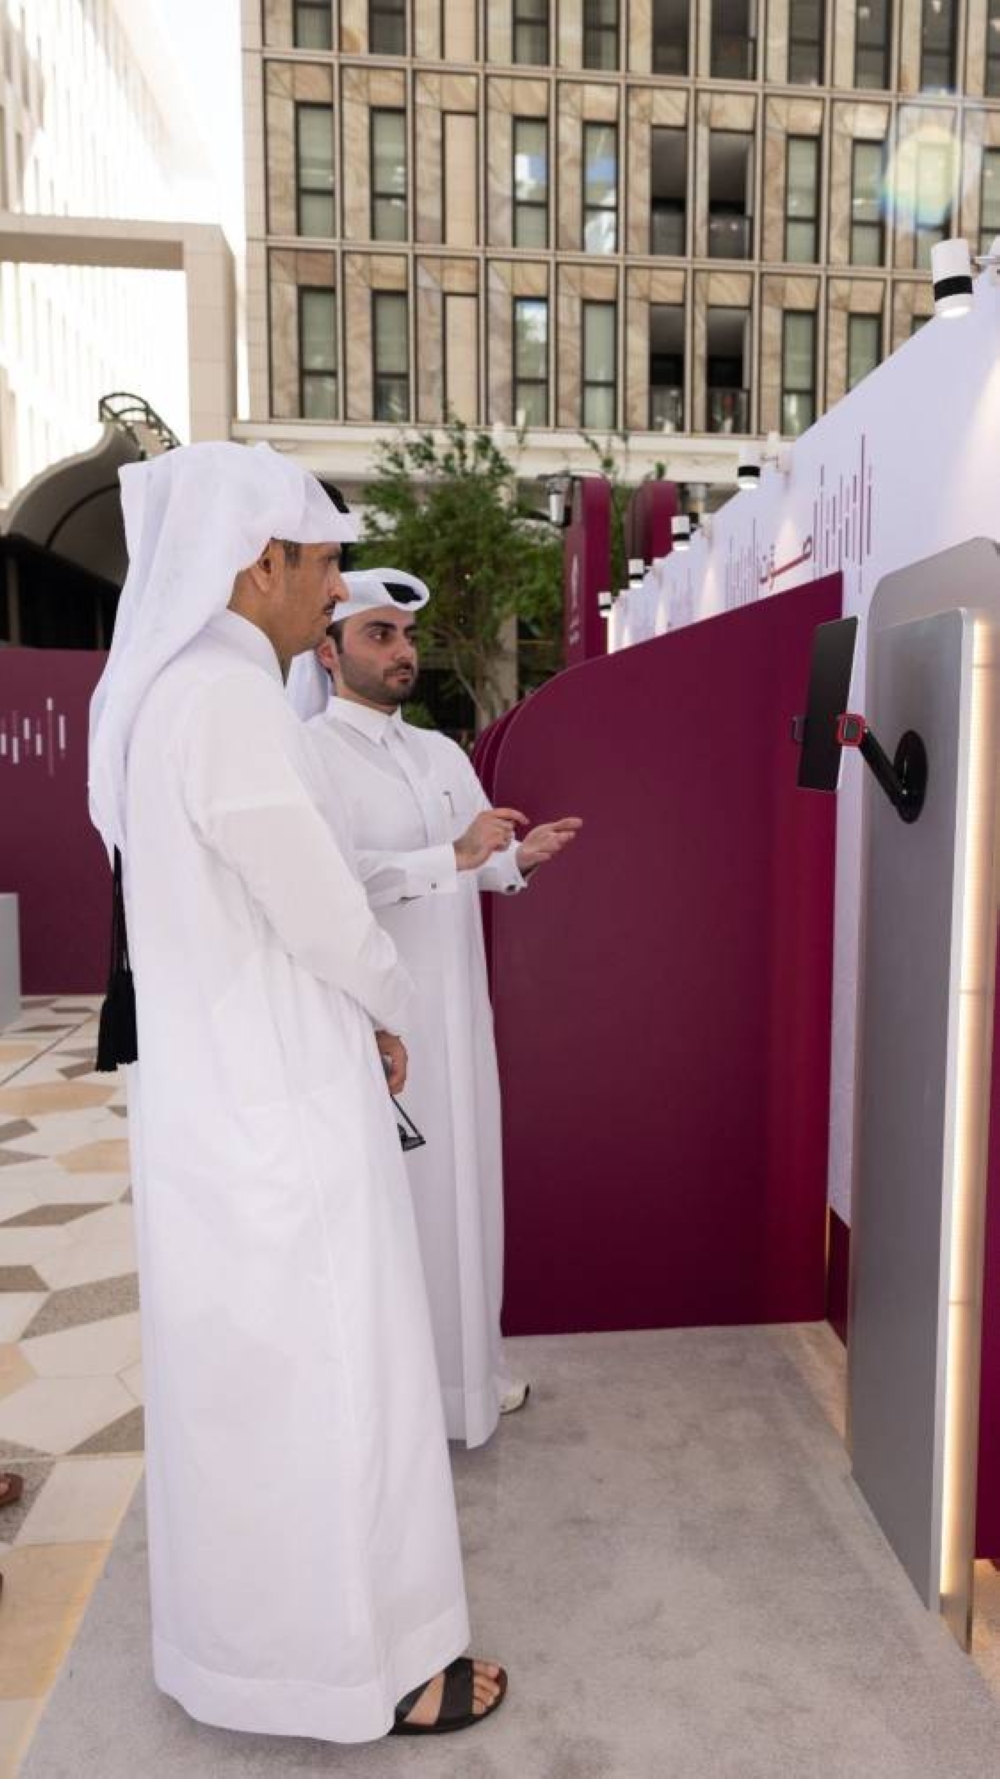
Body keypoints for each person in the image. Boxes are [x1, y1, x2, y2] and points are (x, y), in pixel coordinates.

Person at [88, 444, 505, 1742]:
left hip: (226, 1098)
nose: (333, 590)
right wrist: (385, 1001)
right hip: (279, 1099)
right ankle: (377, 1667)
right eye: (323, 563)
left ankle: (254, 1657)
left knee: (249, 1387)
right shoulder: (224, 695)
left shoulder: (177, 692)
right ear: (256, 560)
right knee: (340, 1378)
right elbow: (314, 902)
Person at [287, 570, 581, 1448]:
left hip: (460, 1024)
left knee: (467, 1196)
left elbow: (475, 864)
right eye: (379, 634)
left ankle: (468, 1381)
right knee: (400, 1210)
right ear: (328, 651)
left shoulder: (440, 755)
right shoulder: (309, 754)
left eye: (407, 635)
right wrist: (449, 854)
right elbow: (334, 882)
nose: (403, 650)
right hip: (382, 1027)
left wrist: (516, 859)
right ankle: (404, 1406)